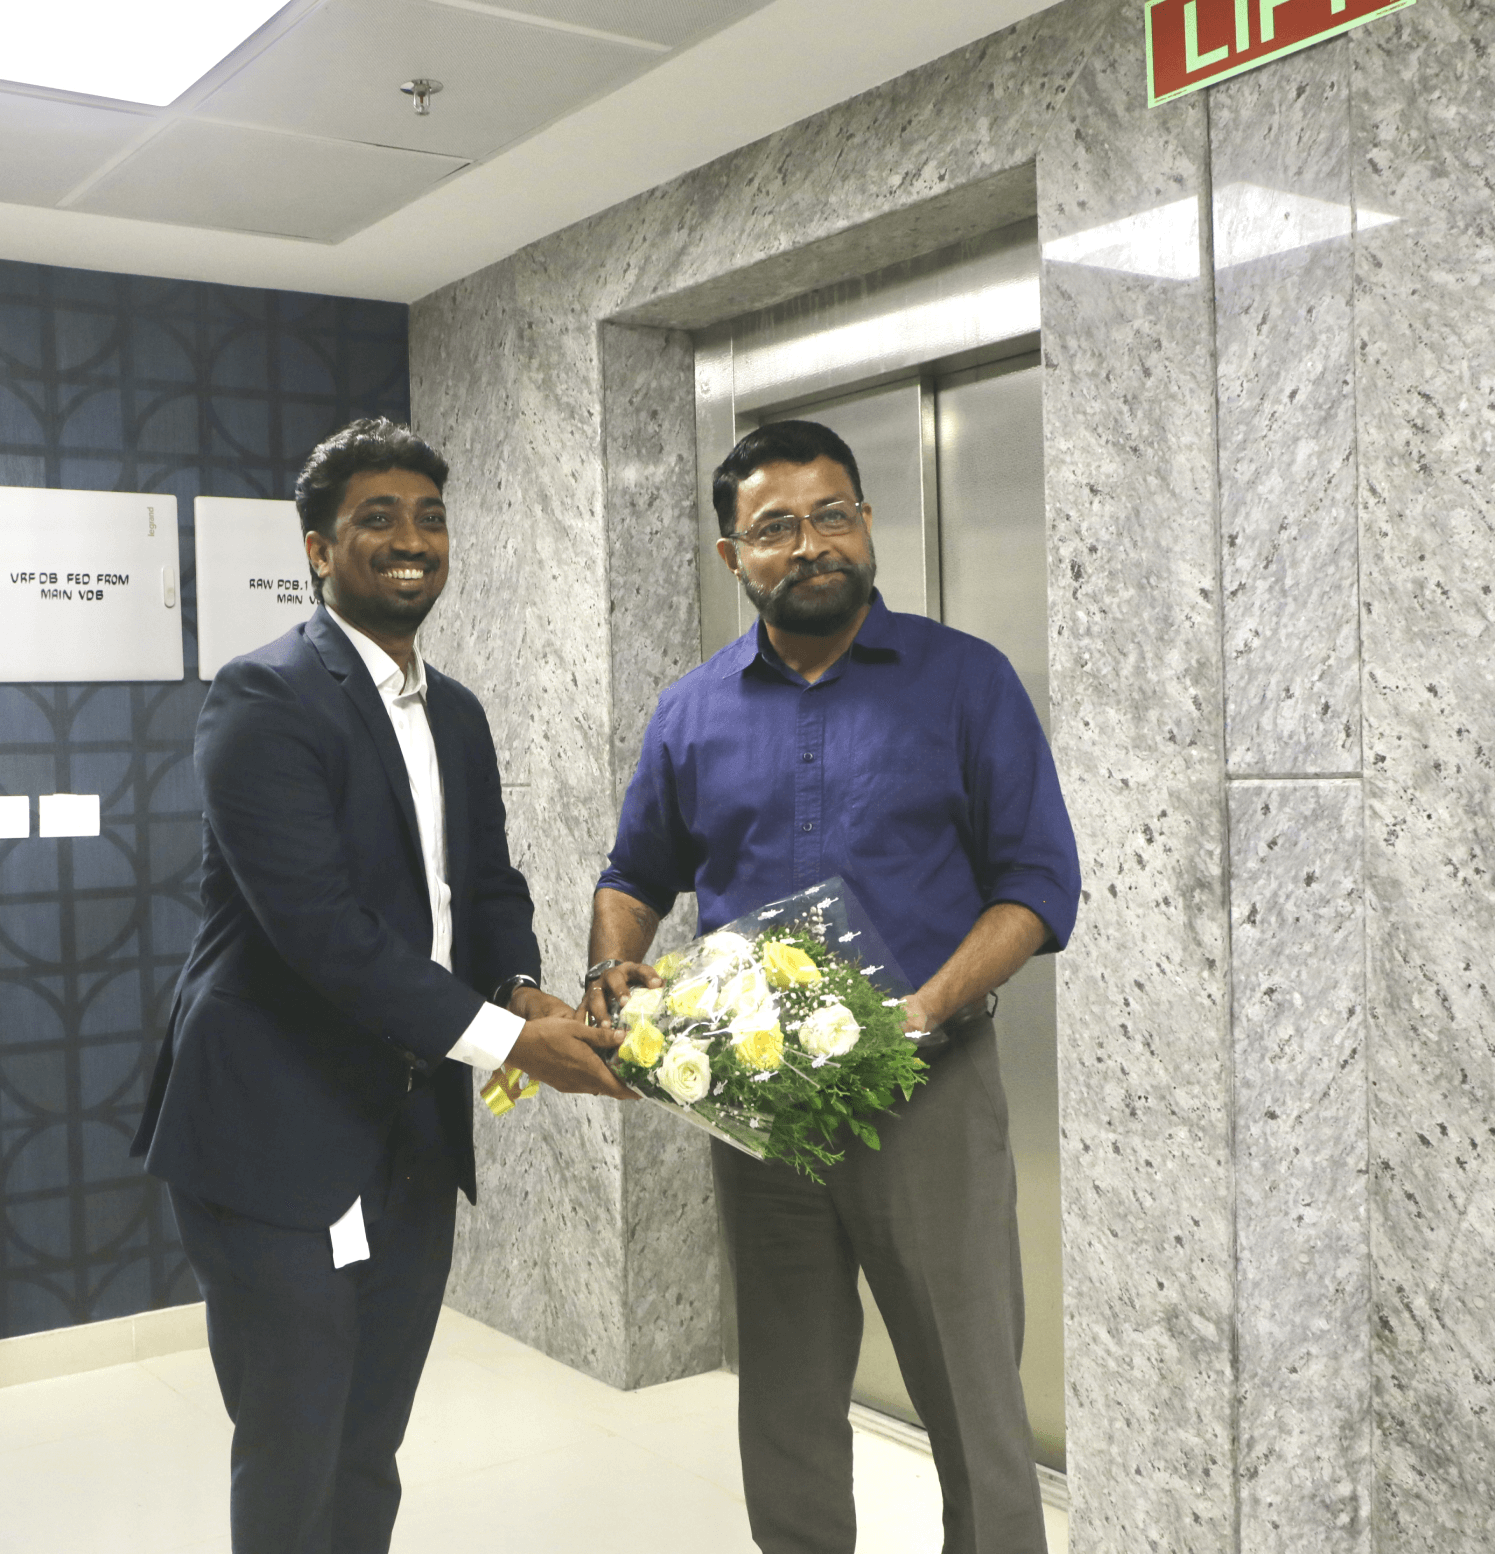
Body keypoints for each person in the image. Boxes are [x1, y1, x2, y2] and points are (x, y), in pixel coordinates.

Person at [132, 417, 633, 1554]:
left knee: (369, 1438)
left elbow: (487, 886)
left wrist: (518, 987)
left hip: (408, 1122)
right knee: (294, 1435)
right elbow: (324, 936)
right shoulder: (262, 699)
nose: (410, 541)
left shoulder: (454, 710)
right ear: (317, 550)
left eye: (429, 518)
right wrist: (508, 1044)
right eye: (377, 519)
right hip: (270, 1129)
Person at [582, 420, 1080, 1554]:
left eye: (833, 514)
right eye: (775, 528)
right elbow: (633, 874)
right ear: (731, 557)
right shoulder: (691, 711)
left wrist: (923, 1008)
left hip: (928, 1083)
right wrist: (615, 966)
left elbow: (1040, 886)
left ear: (864, 524)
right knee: (788, 1388)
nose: (811, 544)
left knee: (970, 1391)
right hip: (759, 1105)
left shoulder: (965, 682)